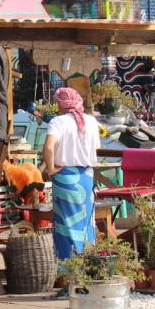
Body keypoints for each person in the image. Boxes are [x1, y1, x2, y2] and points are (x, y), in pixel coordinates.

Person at [41, 87, 100, 261]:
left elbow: (48, 147)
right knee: (86, 223)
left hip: (65, 178)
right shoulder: (91, 121)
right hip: (86, 177)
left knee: (66, 224)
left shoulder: (58, 122)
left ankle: (67, 266)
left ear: (61, 104)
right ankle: (87, 262)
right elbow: (95, 148)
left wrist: (50, 169)